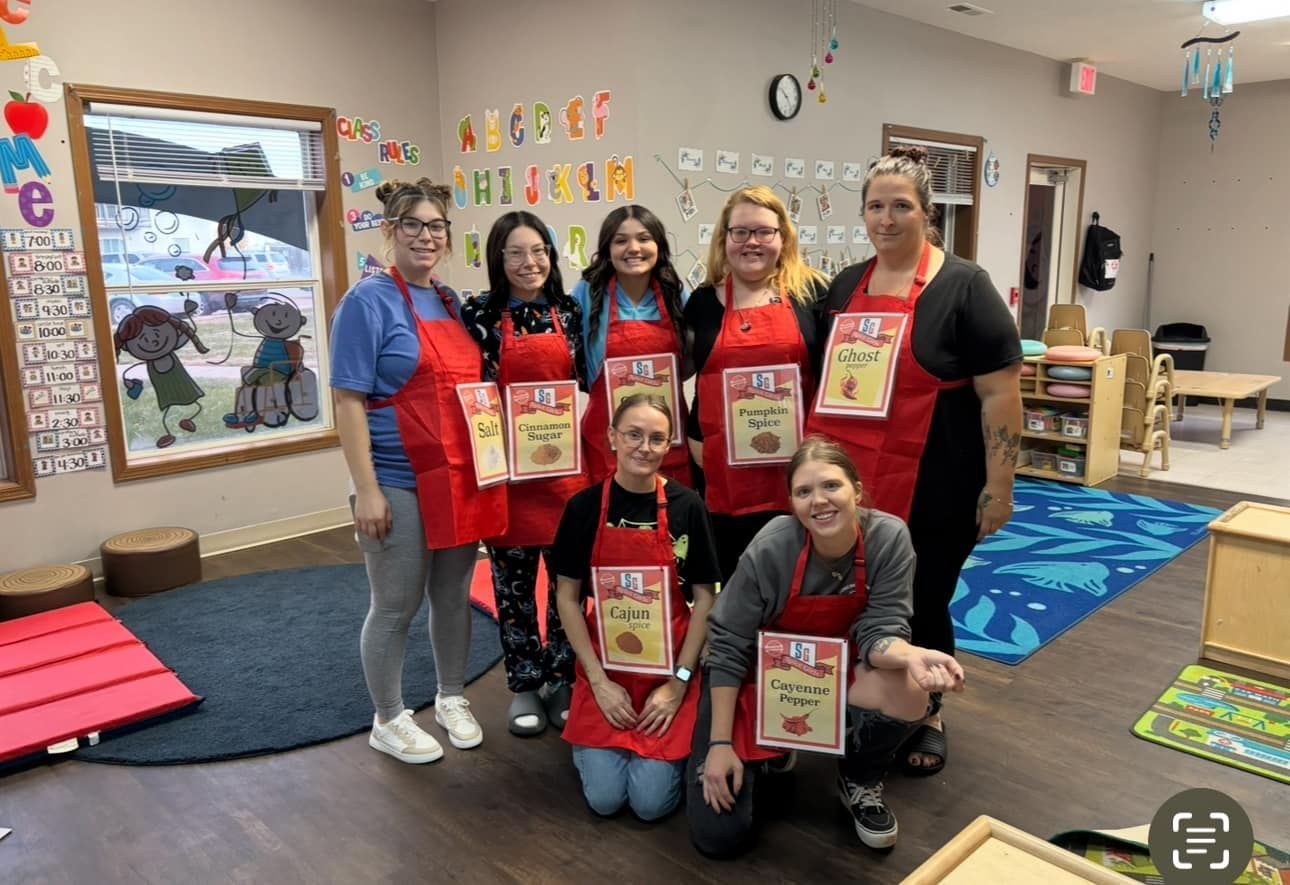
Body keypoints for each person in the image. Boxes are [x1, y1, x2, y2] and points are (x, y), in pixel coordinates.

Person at [807, 146, 1022, 775]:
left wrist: (1000, 487)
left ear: (927, 214)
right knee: (859, 598)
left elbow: (999, 393)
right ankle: (869, 699)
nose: (887, 218)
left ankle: (927, 714)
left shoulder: (964, 285)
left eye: (901, 206)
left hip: (939, 482)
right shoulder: (846, 285)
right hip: (858, 486)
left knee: (924, 599)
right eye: (876, 206)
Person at [686, 438, 965, 857]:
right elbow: (727, 646)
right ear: (792, 503)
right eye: (803, 492)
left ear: (856, 488)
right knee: (718, 838)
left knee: (909, 691)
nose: (819, 501)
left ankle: (858, 777)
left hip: (830, 675)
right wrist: (721, 744)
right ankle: (770, 748)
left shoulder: (888, 538)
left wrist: (911, 655)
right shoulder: (772, 548)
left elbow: (881, 629)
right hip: (755, 677)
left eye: (831, 486)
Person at [330, 178, 502, 763]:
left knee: (453, 596)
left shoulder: (452, 302)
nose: (424, 237)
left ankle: (451, 696)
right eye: (412, 225)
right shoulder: (368, 302)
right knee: (397, 604)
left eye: (435, 227)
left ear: (447, 238)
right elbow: (348, 400)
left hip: (457, 477)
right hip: (397, 481)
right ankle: (388, 717)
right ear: (390, 232)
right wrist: (366, 490)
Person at [551, 394, 720, 820]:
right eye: (633, 434)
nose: (644, 447)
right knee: (605, 801)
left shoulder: (688, 507)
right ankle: (592, 734)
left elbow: (705, 599)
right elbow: (567, 598)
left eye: (657, 438)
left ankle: (638, 743)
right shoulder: (583, 508)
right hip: (606, 671)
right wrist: (597, 681)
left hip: (668, 673)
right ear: (612, 437)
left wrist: (679, 684)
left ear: (669, 446)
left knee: (649, 805)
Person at [460, 211, 588, 736]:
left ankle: (563, 678)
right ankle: (525, 685)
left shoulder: (569, 312)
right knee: (513, 591)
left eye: (539, 251)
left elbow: (586, 384)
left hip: (564, 479)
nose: (529, 262)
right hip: (509, 479)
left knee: (566, 589)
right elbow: (470, 395)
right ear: (499, 258)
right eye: (516, 252)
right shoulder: (479, 315)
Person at [685, 186, 830, 582]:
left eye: (764, 232)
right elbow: (679, 369)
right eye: (741, 232)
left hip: (797, 465)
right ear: (725, 238)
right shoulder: (701, 303)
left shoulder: (813, 293)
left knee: (796, 575)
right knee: (734, 578)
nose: (752, 242)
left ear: (783, 237)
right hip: (721, 468)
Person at [574, 205, 692, 488]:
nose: (633, 248)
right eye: (620, 240)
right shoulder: (588, 292)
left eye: (643, 238)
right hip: (609, 441)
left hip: (666, 440)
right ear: (607, 249)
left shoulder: (674, 292)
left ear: (658, 245)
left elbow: (688, 365)